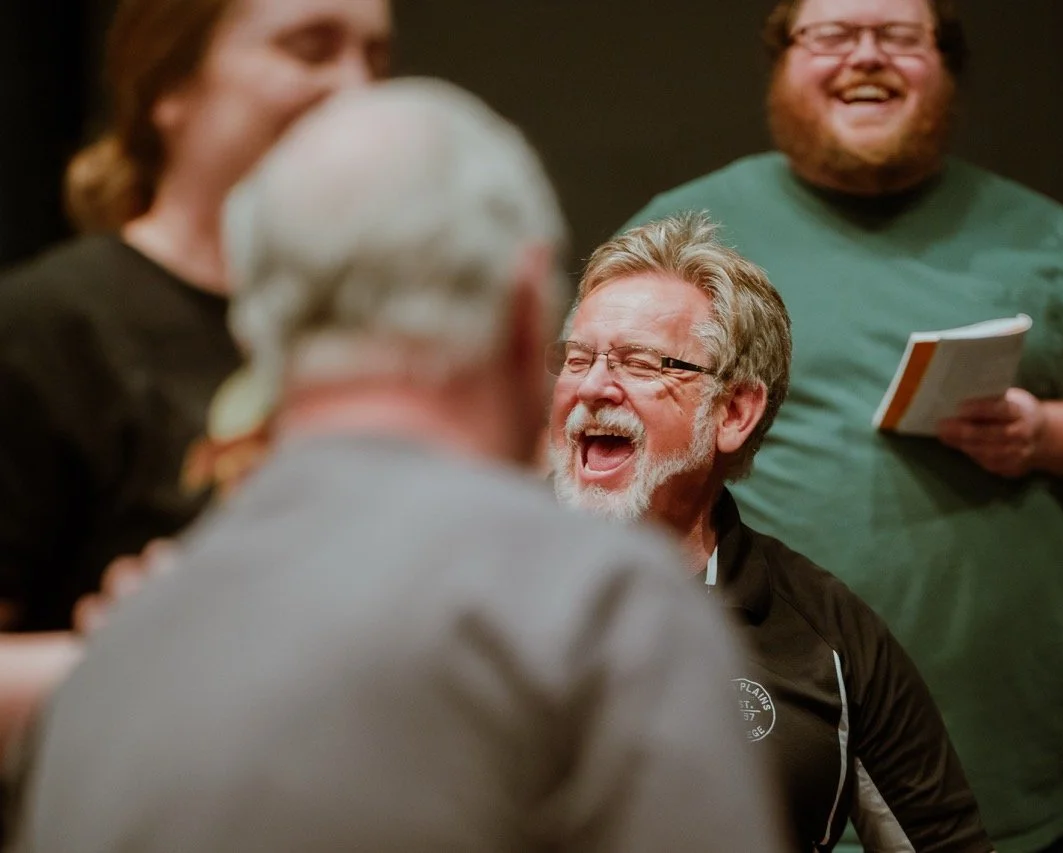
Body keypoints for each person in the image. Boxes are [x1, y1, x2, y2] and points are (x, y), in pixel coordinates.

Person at [4, 79, 788, 853]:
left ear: (255, 336)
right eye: (573, 351)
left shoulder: (117, 649)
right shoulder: (605, 615)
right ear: (524, 315)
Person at [624, 1, 1063, 851]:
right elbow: (579, 426)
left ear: (946, 63)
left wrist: (1046, 432)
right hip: (779, 779)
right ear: (782, 60)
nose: (866, 58)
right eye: (831, 35)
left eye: (899, 36)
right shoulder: (685, 237)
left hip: (1032, 780)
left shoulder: (1037, 232)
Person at [0, 0, 391, 752]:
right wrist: (146, 655)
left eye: (377, 59)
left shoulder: (383, 334)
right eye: (311, 49)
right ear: (170, 90)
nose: (359, 92)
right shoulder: (48, 328)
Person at [546, 213, 993, 853]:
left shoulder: (827, 637)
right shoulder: (461, 574)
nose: (591, 386)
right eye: (578, 357)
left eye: (639, 363)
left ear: (733, 413)